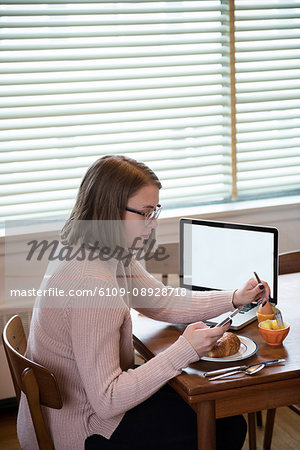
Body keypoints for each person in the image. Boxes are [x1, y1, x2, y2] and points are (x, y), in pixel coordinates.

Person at [17, 155, 270, 450]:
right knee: (225, 424)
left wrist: (233, 298)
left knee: (213, 408)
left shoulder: (98, 249)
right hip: (83, 430)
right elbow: (108, 399)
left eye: (156, 210)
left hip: (75, 414)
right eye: (146, 212)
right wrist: (184, 350)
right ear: (111, 211)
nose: (154, 222)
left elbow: (162, 300)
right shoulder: (92, 283)